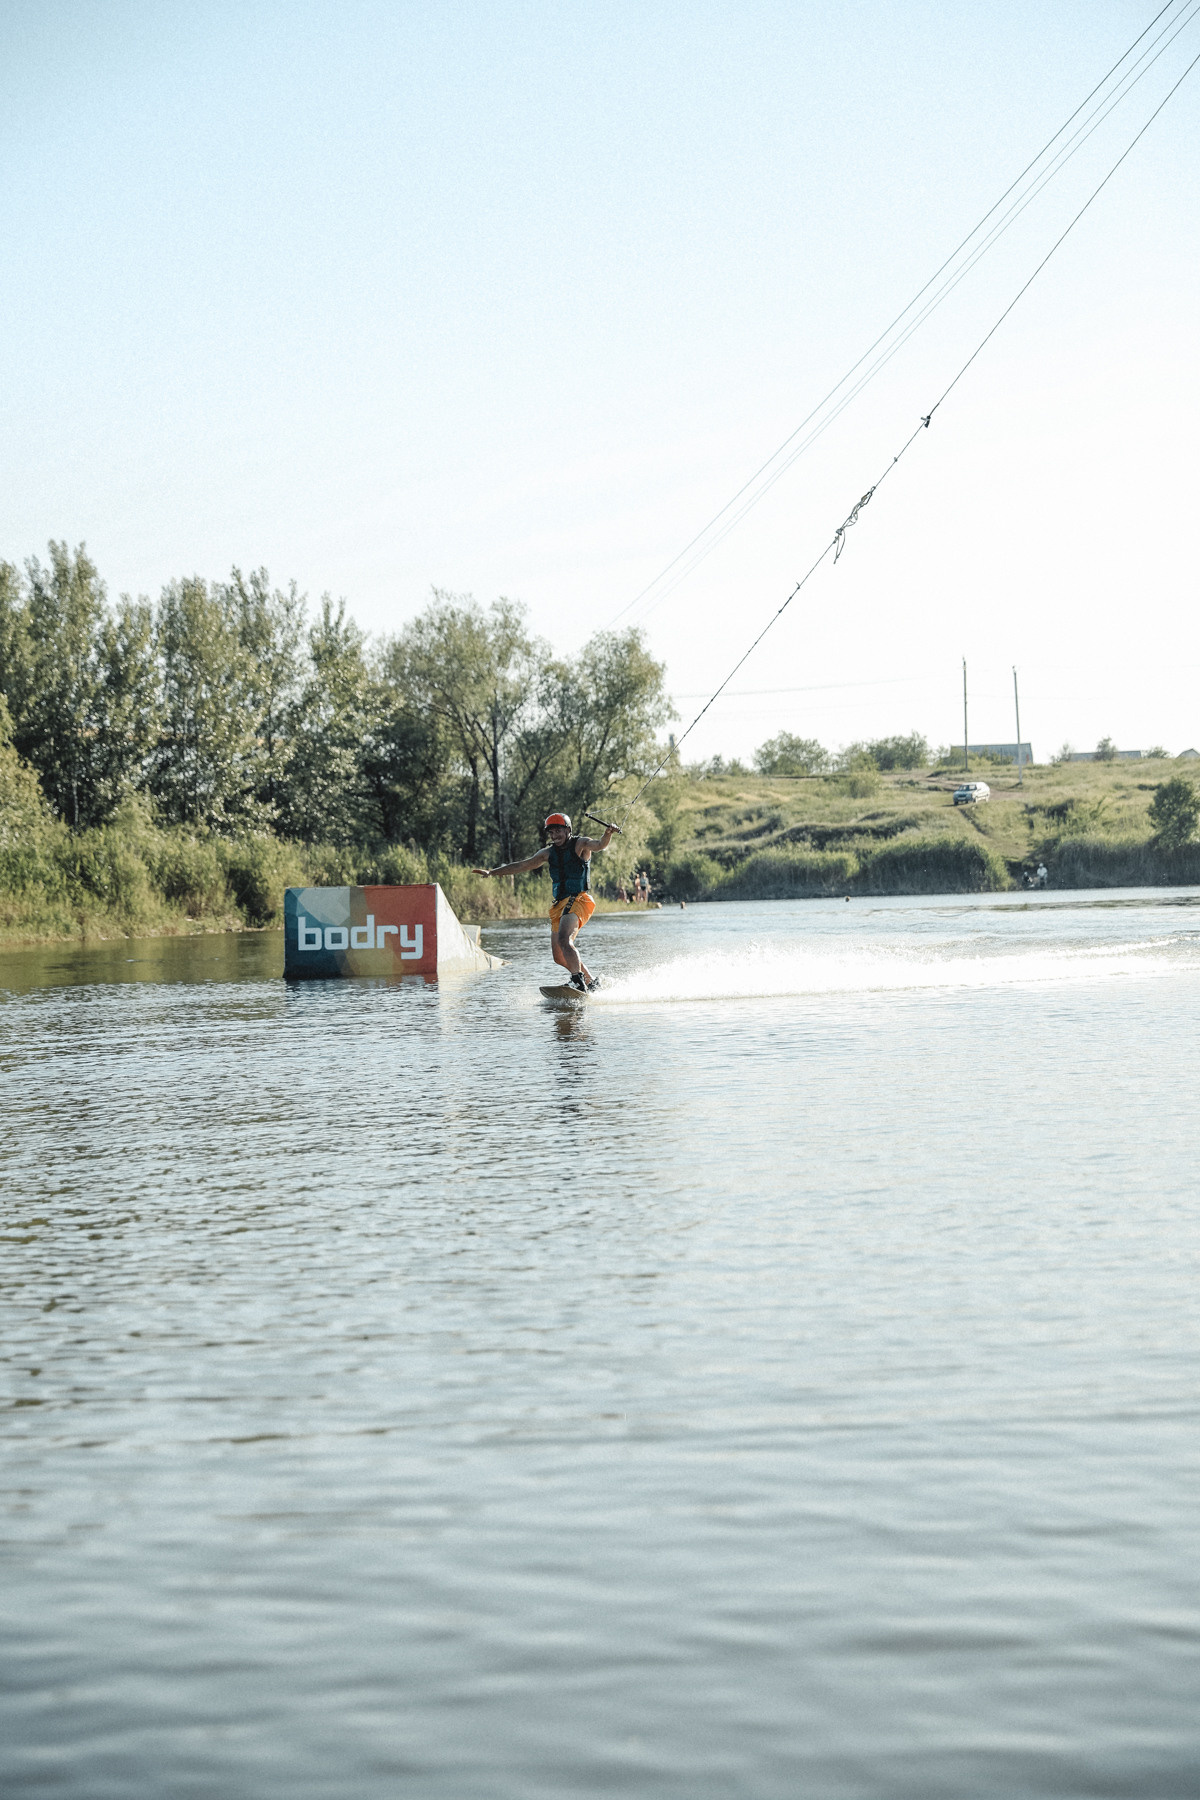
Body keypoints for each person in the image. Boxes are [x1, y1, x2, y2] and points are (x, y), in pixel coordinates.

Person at [473, 811, 615, 991]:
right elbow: (522, 865)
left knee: (564, 939)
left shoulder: (581, 844)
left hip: (578, 899)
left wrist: (607, 833)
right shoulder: (547, 853)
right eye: (551, 832)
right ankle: (590, 982)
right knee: (559, 956)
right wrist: (492, 872)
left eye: (558, 831)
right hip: (559, 904)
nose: (555, 836)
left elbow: (600, 845)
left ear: (568, 830)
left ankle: (577, 980)